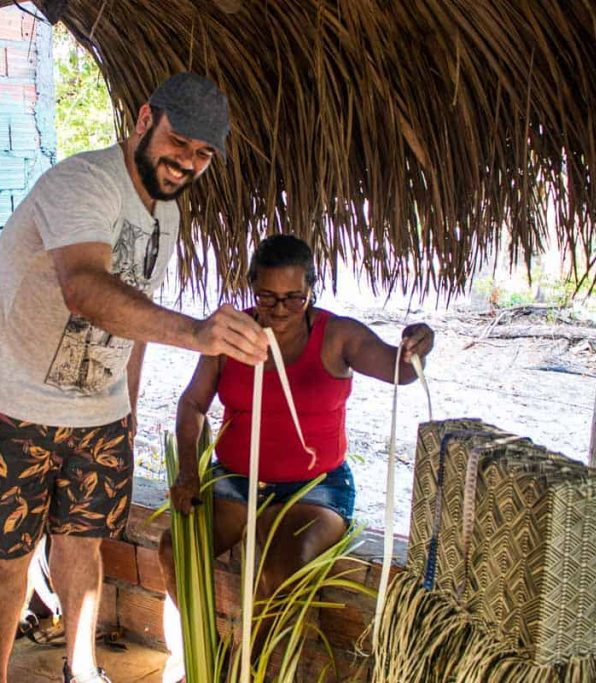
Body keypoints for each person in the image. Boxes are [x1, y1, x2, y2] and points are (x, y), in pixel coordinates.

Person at [0, 72, 269, 683]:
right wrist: (197, 333)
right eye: (179, 142)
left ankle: (81, 669)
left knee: (83, 545)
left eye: (203, 154)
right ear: (144, 119)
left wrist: (125, 406)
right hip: (12, 404)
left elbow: (132, 319)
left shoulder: (168, 213)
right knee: (6, 561)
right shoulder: (83, 182)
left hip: (98, 413)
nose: (187, 162)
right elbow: (86, 290)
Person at [156, 234, 434, 681]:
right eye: (266, 297)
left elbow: (399, 369)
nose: (280, 309)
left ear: (312, 290)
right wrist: (189, 472)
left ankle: (250, 670)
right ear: (251, 286)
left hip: (316, 489)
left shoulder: (337, 335)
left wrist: (421, 344)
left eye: (293, 298)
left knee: (281, 570)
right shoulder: (231, 335)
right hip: (235, 481)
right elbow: (192, 405)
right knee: (175, 548)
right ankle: (208, 653)